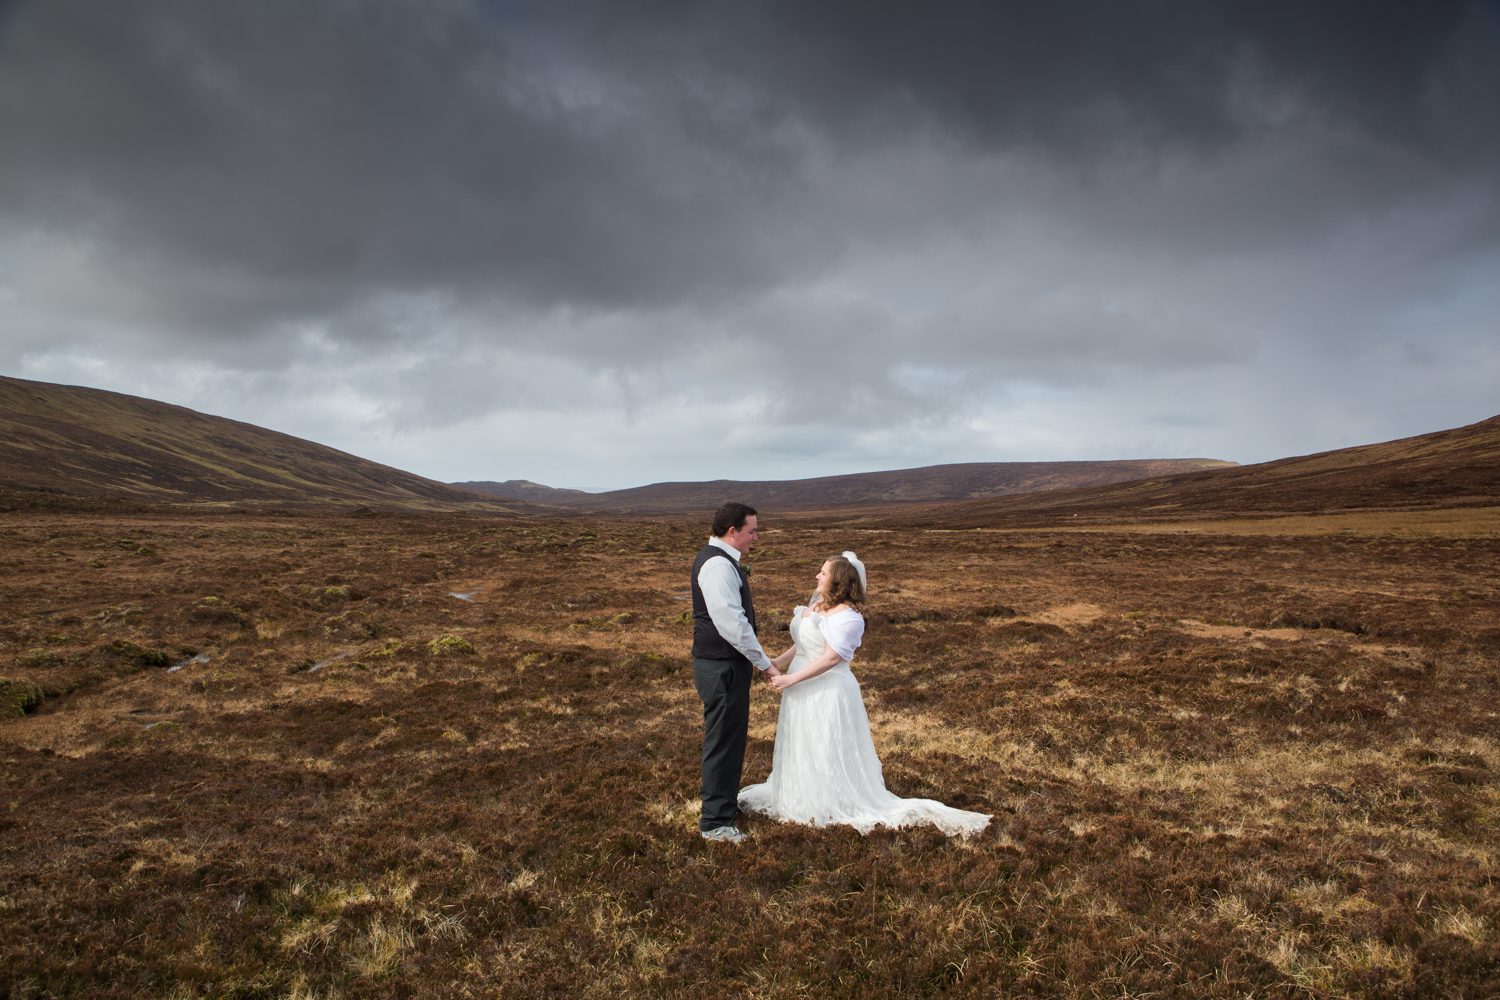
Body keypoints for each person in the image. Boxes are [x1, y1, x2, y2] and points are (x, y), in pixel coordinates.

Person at [739, 552, 990, 837]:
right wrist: (776, 664)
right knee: (801, 738)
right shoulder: (817, 607)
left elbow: (831, 658)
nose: (817, 576)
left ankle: (826, 797)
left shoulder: (849, 617)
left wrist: (791, 678)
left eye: (823, 572)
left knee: (824, 741)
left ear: (838, 580)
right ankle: (801, 791)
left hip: (827, 689)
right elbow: (803, 644)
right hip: (799, 687)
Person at [691, 501, 779, 844]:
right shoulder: (717, 566)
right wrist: (765, 663)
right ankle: (714, 823)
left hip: (724, 665)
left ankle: (722, 806)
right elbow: (732, 623)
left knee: (728, 739)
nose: (755, 537)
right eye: (751, 531)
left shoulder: (723, 562)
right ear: (732, 532)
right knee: (723, 742)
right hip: (721, 667)